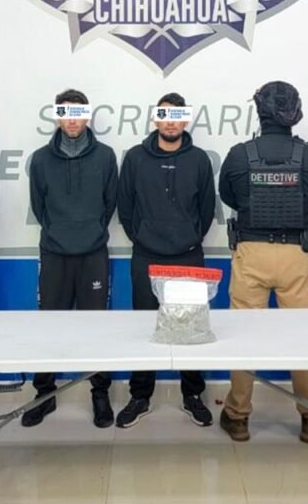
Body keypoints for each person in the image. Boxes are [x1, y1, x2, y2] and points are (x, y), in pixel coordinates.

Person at [216, 81, 308, 444]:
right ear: (295, 112)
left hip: (251, 253)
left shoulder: (239, 156)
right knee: (302, 338)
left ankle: (238, 416)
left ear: (259, 111)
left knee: (243, 336)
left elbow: (229, 197)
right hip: (296, 255)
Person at [116, 92, 216, 428]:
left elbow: (206, 209)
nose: (170, 123)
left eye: (176, 116)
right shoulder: (135, 158)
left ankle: (193, 395)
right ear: (155, 119)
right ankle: (140, 396)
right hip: (146, 255)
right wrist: (143, 237)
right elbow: (125, 206)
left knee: (191, 327)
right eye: (164, 116)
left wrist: (189, 237)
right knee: (145, 328)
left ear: (185, 120)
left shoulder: (199, 160)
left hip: (188, 256)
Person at [22, 88, 119, 428]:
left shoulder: (105, 156)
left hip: (93, 253)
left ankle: (99, 393)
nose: (72, 120)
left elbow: (109, 203)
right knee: (49, 326)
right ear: (58, 117)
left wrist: (91, 230)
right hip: (54, 253)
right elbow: (39, 206)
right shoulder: (40, 159)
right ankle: (44, 395)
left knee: (96, 327)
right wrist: (59, 232)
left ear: (87, 116)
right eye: (66, 113)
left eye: (78, 113)